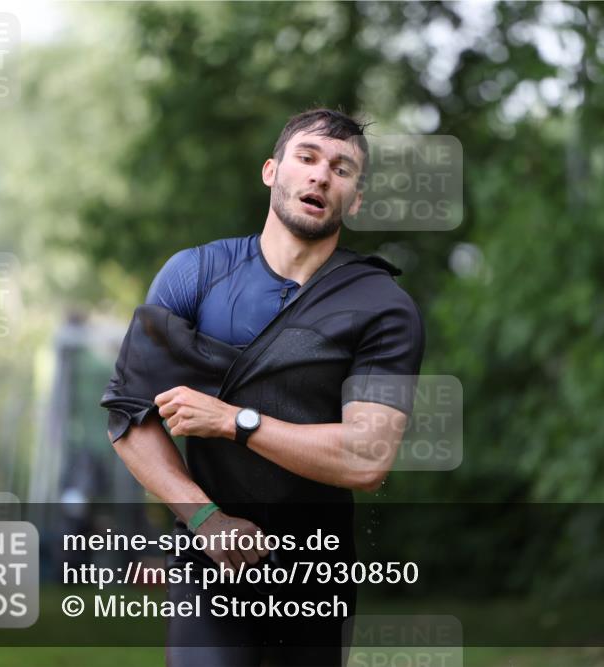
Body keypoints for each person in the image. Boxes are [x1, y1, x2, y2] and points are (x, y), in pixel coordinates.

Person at [105, 108, 425, 666]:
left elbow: (367, 459)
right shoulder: (193, 274)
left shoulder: (382, 307)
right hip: (208, 562)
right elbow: (130, 418)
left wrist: (235, 421)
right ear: (271, 171)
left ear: (357, 199)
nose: (321, 176)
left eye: (342, 169)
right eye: (307, 158)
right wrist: (206, 520)